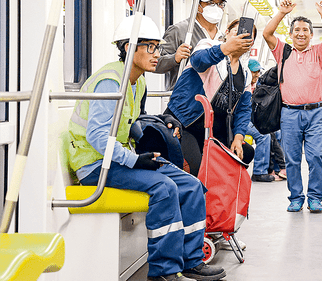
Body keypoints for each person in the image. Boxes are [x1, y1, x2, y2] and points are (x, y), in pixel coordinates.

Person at [63, 15, 225, 281]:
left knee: (190, 185)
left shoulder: (137, 81)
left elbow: (133, 119)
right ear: (129, 47)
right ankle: (162, 271)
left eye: (158, 48)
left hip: (116, 160)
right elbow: (97, 137)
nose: (157, 54)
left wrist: (163, 120)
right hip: (94, 165)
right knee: (164, 188)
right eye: (150, 47)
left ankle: (191, 260)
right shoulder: (110, 82)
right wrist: (135, 161)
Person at [262, 0, 322, 213]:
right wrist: (281, 13)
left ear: (311, 35)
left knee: (316, 158)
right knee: (292, 160)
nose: (301, 33)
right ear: (291, 34)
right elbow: (267, 33)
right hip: (290, 114)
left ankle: (314, 197)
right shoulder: (283, 51)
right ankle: (295, 197)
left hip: (316, 114)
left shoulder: (319, 53)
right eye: (297, 30)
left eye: (305, 30)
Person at [165, 18, 255, 176]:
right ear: (226, 33)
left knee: (246, 153)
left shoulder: (245, 73)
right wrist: (225, 49)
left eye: (248, 37)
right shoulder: (208, 45)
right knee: (196, 167)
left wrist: (238, 138)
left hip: (214, 130)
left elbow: (244, 109)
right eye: (237, 33)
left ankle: (216, 195)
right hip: (186, 122)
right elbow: (199, 62)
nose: (241, 38)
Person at [156, 0, 228, 90]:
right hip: (186, 99)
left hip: (214, 100)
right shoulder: (179, 30)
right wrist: (174, 58)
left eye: (220, 4)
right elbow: (156, 63)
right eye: (210, 3)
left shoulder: (223, 37)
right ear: (198, 6)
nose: (216, 7)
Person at [245, 59, 275, 182]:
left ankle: (276, 169)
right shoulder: (243, 85)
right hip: (241, 119)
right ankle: (259, 171)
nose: (257, 75)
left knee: (276, 132)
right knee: (264, 136)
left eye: (258, 72)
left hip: (250, 118)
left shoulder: (256, 85)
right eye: (254, 72)